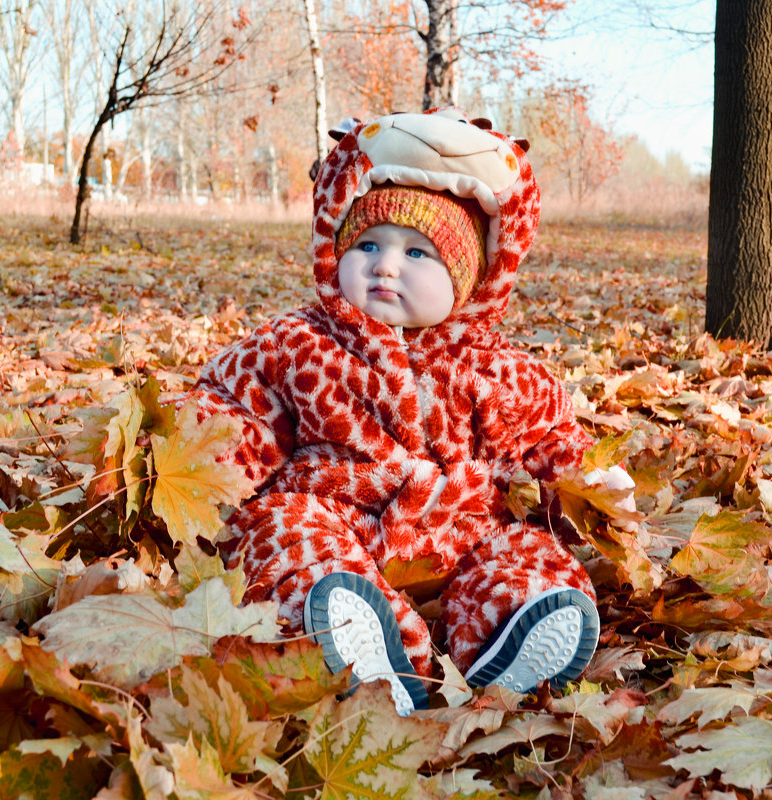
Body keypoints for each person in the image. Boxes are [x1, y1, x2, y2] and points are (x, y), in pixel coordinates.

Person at [190, 109, 603, 715]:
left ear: (472, 282)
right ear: (335, 250)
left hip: (459, 529)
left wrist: (587, 486)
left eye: (417, 252)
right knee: (279, 534)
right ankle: (360, 639)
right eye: (367, 245)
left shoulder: (496, 366)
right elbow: (235, 408)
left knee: (522, 551)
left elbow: (549, 434)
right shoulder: (300, 343)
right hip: (336, 513)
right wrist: (199, 454)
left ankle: (509, 637)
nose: (385, 265)